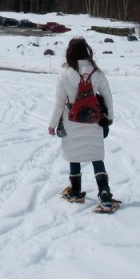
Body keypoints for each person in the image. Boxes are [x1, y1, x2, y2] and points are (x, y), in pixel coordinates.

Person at [48, 37, 116, 209]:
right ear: (87, 51)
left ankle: (76, 191)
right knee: (96, 155)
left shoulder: (65, 74)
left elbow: (59, 102)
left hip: (71, 120)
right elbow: (107, 96)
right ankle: (105, 193)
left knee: (74, 154)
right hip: (94, 120)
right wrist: (109, 117)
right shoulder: (96, 73)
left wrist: (52, 124)